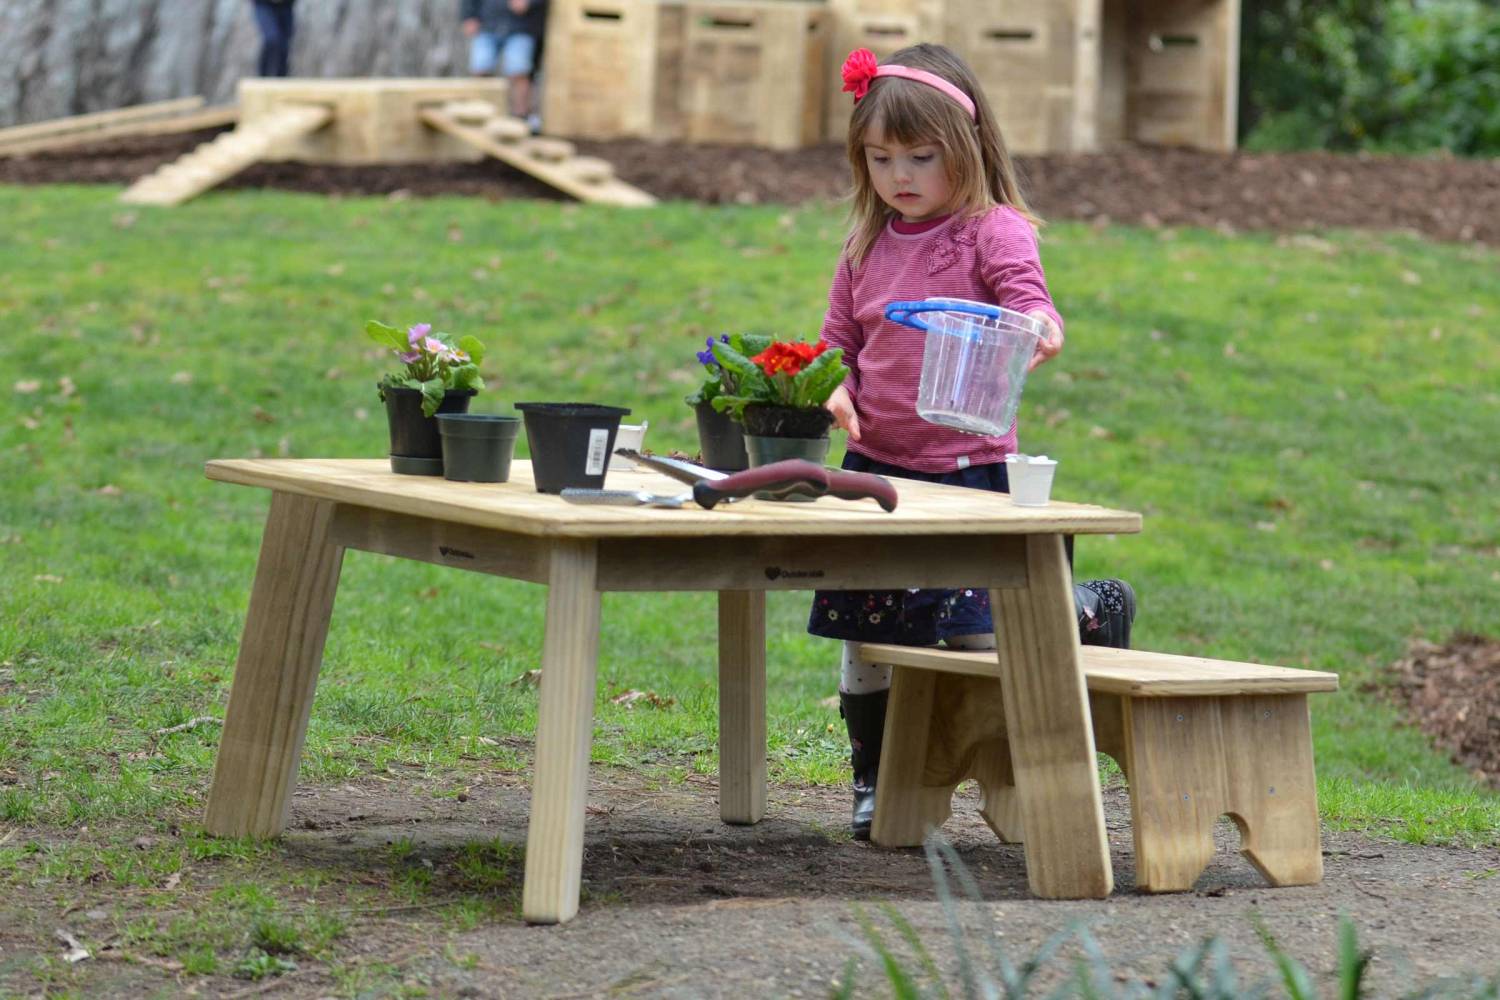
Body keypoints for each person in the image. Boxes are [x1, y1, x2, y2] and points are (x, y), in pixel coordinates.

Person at [809, 43, 1138, 840]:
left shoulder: (994, 231)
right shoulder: (863, 247)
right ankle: (875, 783)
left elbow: (1035, 306)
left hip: (968, 465)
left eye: (921, 156)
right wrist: (833, 388)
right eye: (881, 158)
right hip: (877, 475)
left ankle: (1087, 608)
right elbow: (834, 348)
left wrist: (1040, 331)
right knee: (867, 634)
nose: (901, 175)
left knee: (972, 629)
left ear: (968, 147)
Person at [461, 0, 549, 130]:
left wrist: (529, 3)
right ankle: (481, 116)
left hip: (522, 26)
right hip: (487, 24)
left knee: (519, 72)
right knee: (480, 69)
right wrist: (468, 16)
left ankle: (521, 119)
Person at [250, 0, 296, 78]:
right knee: (272, 38)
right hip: (263, 5)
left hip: (286, 6)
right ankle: (262, 77)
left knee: (284, 45)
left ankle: (281, 78)